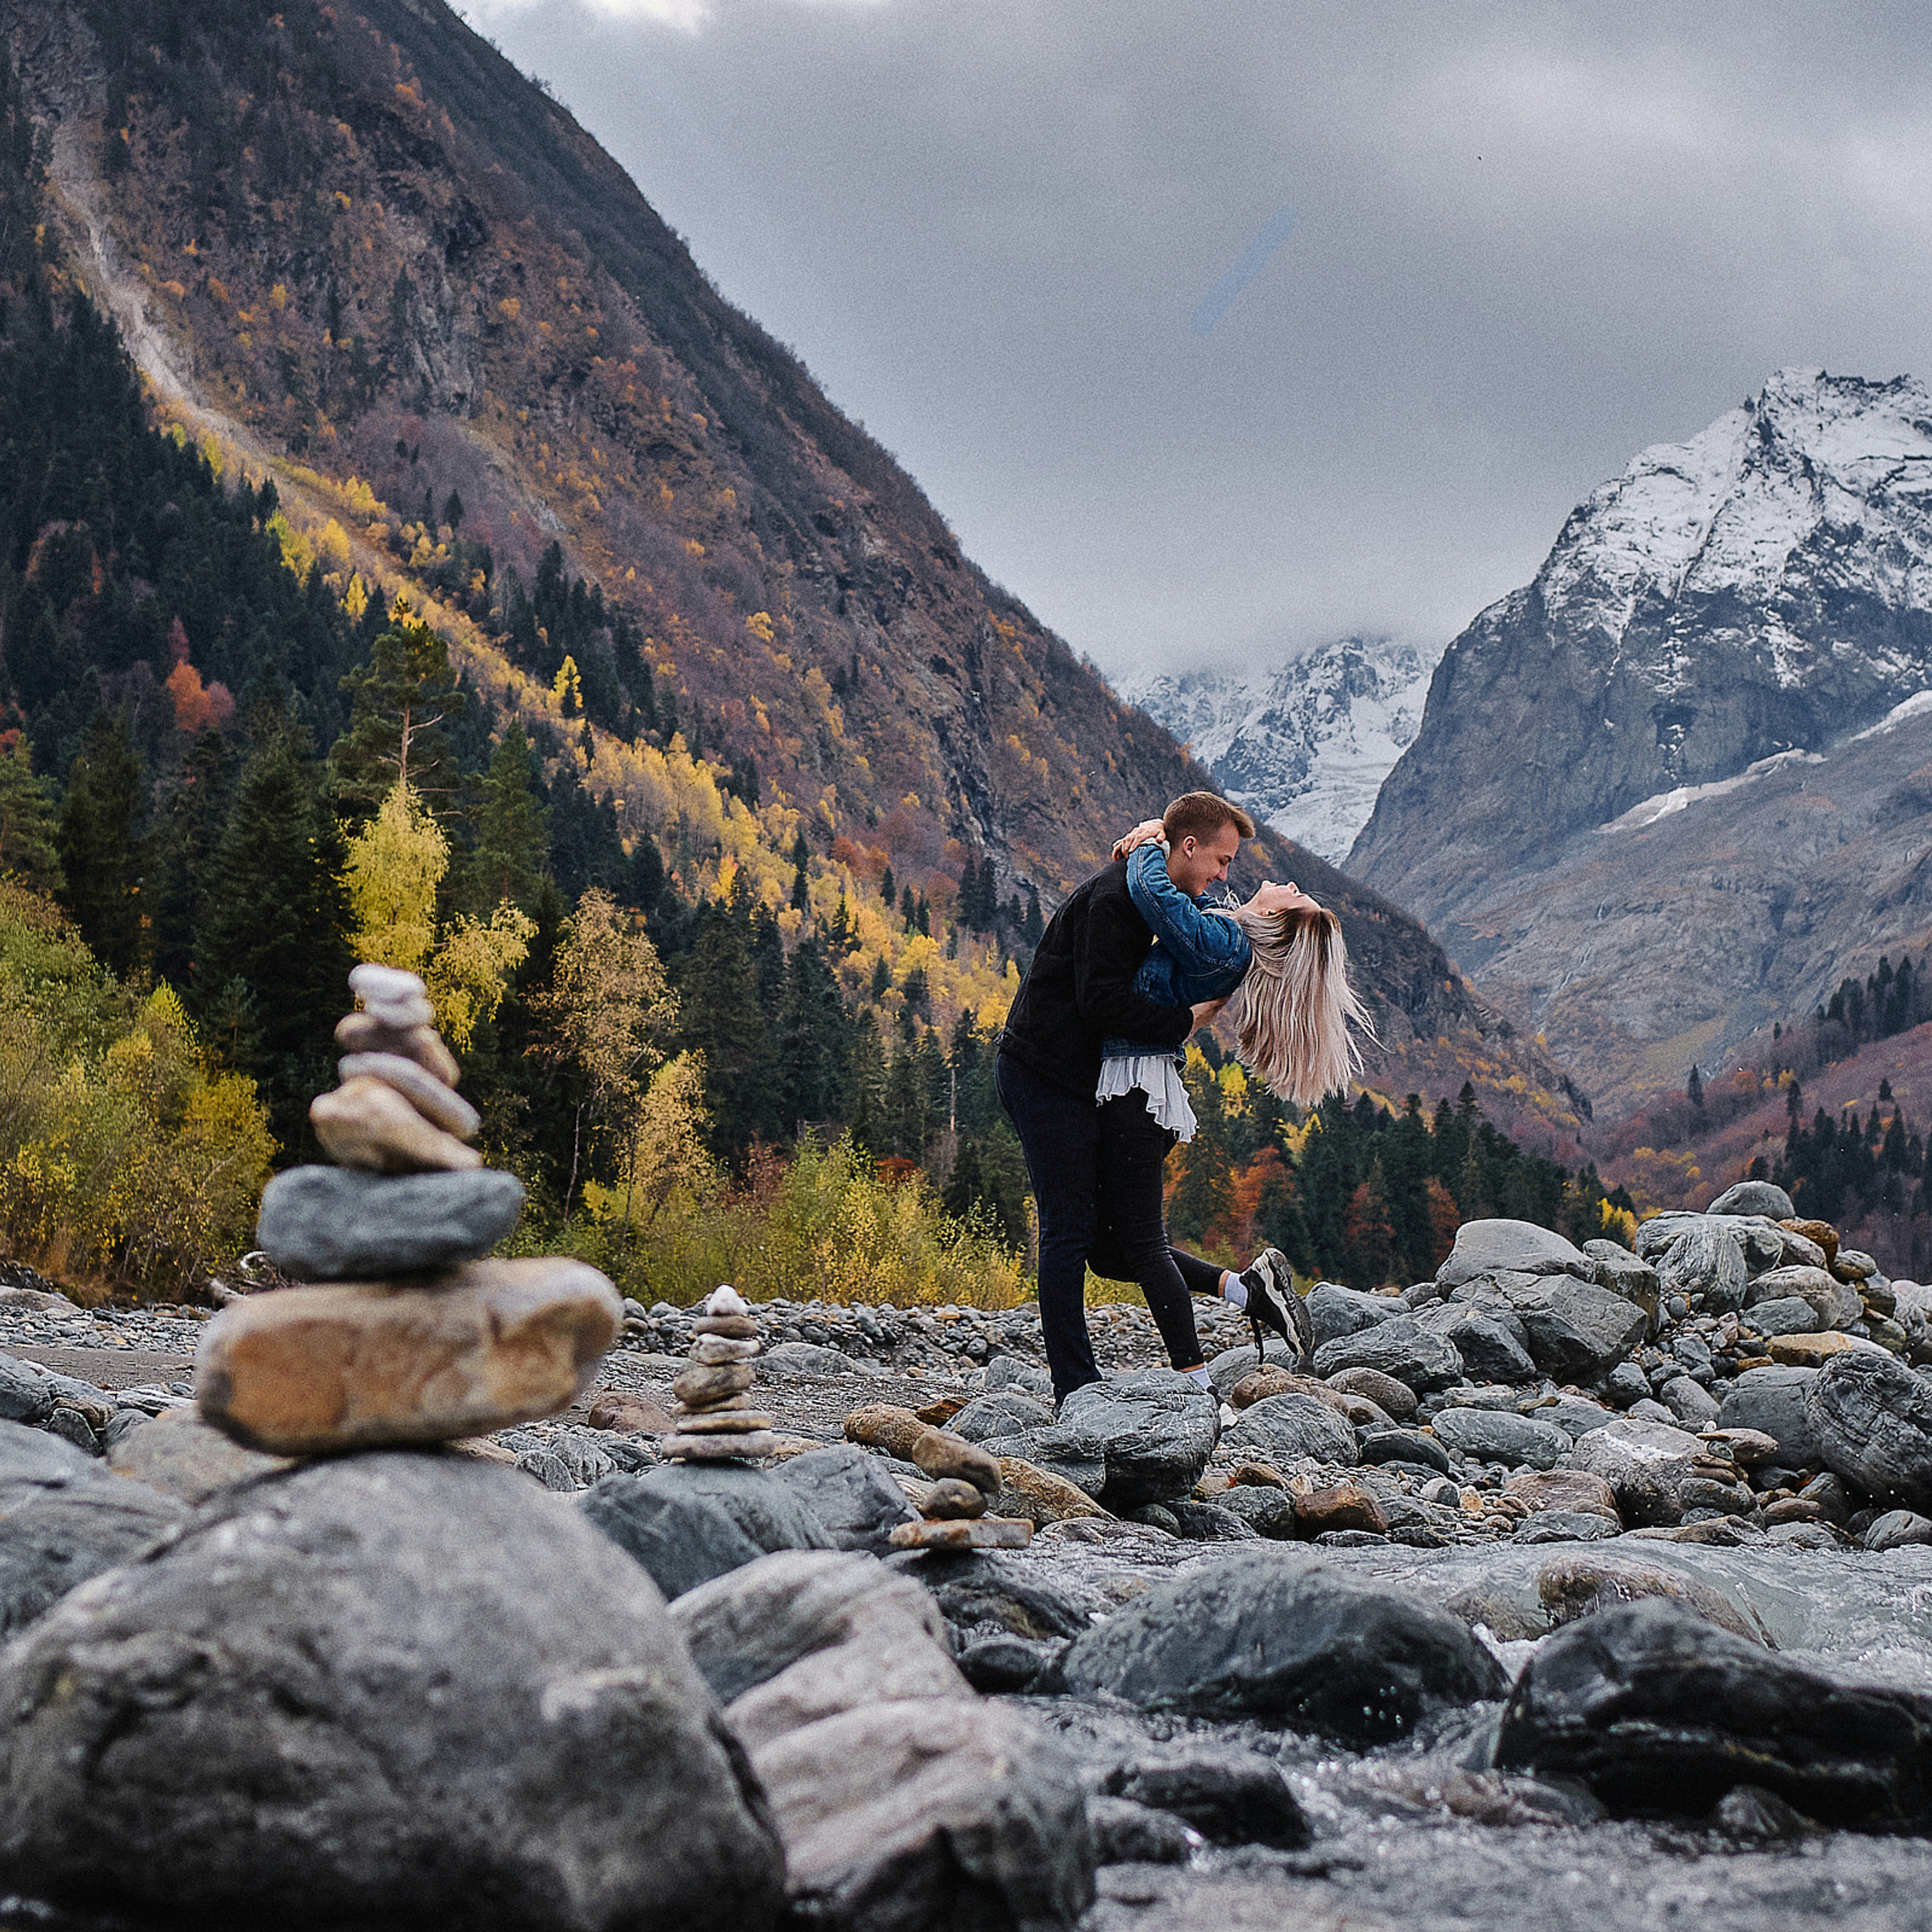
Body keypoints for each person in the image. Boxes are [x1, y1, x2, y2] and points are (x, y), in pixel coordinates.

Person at [995, 789, 1311, 1404]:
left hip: (1081, 1080)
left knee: (1109, 1247)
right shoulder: (1119, 900)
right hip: (1042, 1072)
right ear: (1188, 847)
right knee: (1069, 1231)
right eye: (1221, 861)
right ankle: (1075, 1385)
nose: (1225, 876)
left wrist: (1150, 835)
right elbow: (1100, 1000)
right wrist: (1184, 1022)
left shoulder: (1155, 897)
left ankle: (1243, 1291)